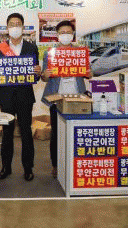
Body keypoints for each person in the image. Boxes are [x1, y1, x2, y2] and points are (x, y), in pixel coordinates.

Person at [0, 13, 41, 181]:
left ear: (23, 27)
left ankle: (28, 168)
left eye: (18, 24)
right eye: (12, 24)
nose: (15, 27)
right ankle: (6, 167)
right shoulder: (0, 47)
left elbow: (35, 73)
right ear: (7, 27)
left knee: (26, 132)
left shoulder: (31, 47)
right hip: (6, 96)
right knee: (7, 132)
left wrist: (38, 72)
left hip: (25, 96)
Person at [41, 20, 91, 178]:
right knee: (56, 134)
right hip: (57, 98)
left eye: (68, 32)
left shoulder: (80, 52)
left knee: (77, 133)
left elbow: (88, 73)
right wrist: (45, 75)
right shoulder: (49, 53)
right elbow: (43, 77)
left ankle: (77, 163)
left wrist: (89, 74)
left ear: (73, 34)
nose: (65, 35)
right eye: (62, 33)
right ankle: (56, 165)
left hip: (78, 98)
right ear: (57, 35)